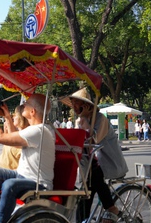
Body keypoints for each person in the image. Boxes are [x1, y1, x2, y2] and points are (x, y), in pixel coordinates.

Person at [0, 94, 55, 223]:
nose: (23, 105)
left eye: (26, 104)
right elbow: (14, 140)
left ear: (32, 111)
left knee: (9, 185)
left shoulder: (39, 131)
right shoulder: (34, 130)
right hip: (21, 175)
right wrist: (7, 115)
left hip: (37, 183)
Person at [60, 88, 128, 223]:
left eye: (77, 103)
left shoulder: (100, 119)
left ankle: (111, 207)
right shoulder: (80, 120)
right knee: (85, 193)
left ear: (86, 105)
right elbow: (78, 141)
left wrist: (83, 118)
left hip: (108, 163)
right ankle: (84, 219)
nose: (74, 107)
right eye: (73, 103)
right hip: (89, 164)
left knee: (93, 178)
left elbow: (92, 140)